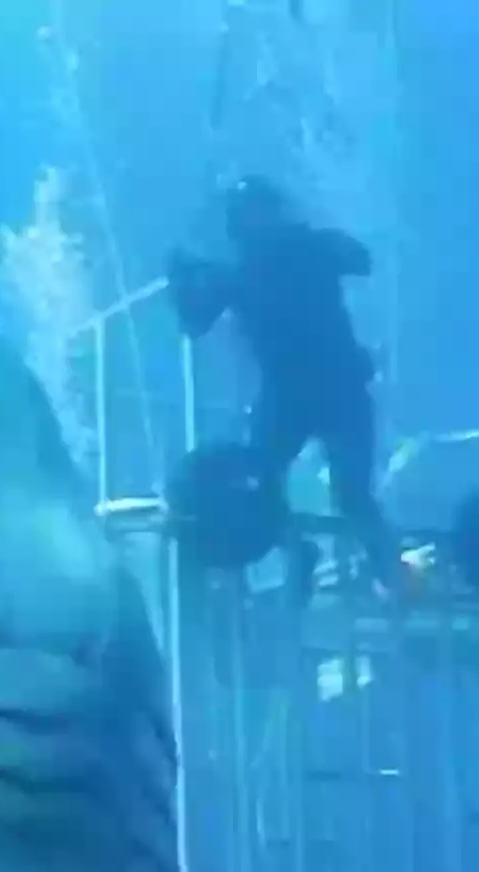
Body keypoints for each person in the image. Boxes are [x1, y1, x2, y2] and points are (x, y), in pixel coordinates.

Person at [166, 175, 401, 596]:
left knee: (353, 496)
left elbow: (361, 258)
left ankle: (394, 578)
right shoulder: (236, 275)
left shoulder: (305, 250)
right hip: (288, 396)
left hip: (339, 389)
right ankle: (298, 551)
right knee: (260, 485)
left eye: (264, 211)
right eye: (251, 214)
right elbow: (194, 322)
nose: (260, 222)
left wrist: (321, 245)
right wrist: (182, 281)